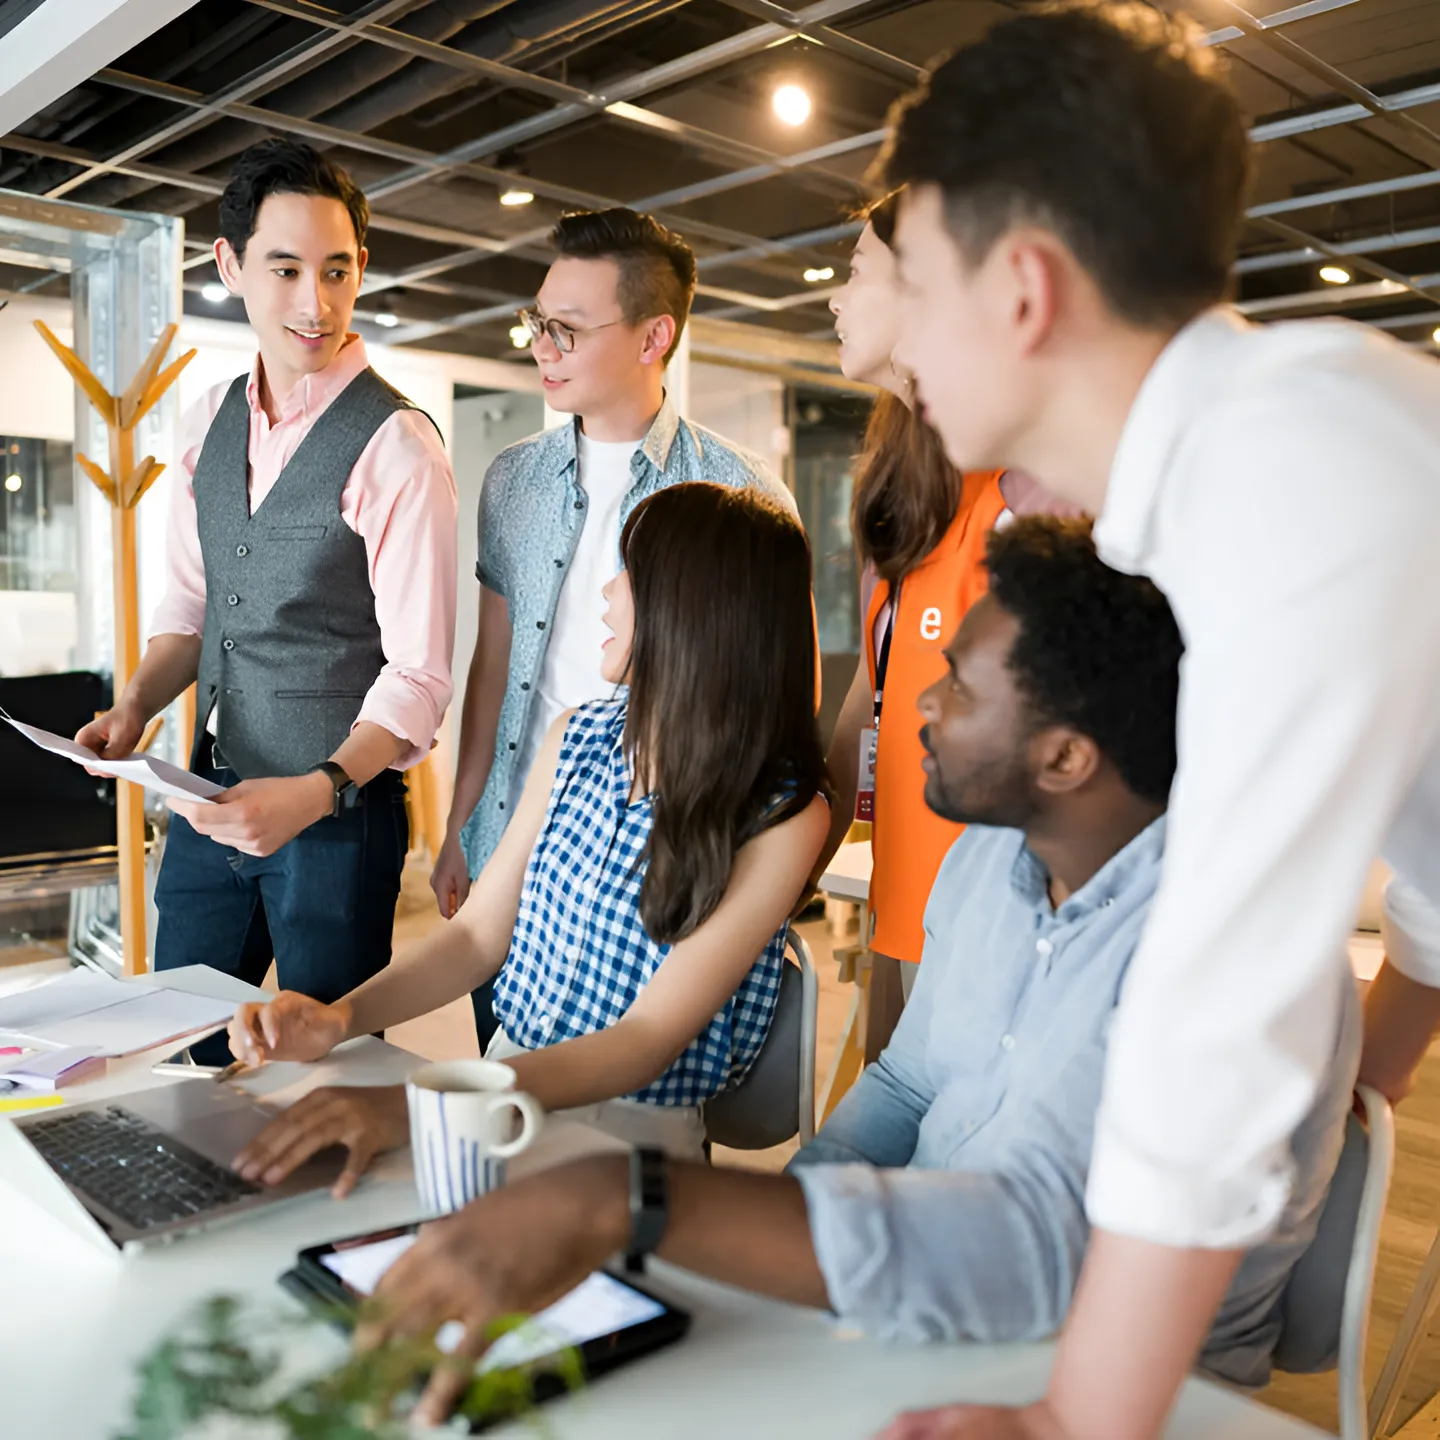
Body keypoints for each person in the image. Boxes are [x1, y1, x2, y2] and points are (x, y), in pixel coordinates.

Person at [326, 517, 1357, 1430]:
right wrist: (756, 1266)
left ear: (1067, 758)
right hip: (935, 1303)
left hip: (1123, 1380)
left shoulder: (1232, 949)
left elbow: (1046, 1251)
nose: (918, 708)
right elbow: (906, 1088)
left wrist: (637, 1200)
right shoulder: (994, 863)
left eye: (959, 684)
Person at [868, 3, 1440, 1436]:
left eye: (911, 280)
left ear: (1022, 288)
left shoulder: (1284, 468)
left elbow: (1217, 1021)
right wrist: (1327, 1122)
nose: (890, 343)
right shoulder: (1238, 467)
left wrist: (1076, 1423)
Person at [225, 483, 830, 1173]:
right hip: (504, 1078)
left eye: (630, 574)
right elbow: (478, 937)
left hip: (629, 1140)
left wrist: (432, 1105)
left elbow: (645, 1040)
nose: (607, 593)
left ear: (696, 608)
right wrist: (337, 1018)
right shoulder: (579, 737)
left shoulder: (783, 814)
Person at [76, 139, 456, 1065]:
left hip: (340, 822)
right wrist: (134, 708)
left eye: (336, 271)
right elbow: (191, 605)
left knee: (324, 1070)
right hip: (208, 800)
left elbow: (420, 676)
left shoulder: (399, 446)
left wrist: (317, 792)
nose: (314, 304)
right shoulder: (206, 420)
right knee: (182, 1046)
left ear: (362, 267)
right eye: (285, 269)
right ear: (230, 263)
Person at [429, 207, 794, 1052]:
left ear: (652, 335)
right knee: (507, 1061)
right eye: (535, 322)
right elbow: (496, 667)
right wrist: (462, 820)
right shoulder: (514, 480)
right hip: (516, 844)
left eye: (565, 329)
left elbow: (778, 693)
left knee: (644, 1104)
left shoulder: (736, 492)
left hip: (662, 858)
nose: (539, 347)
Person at [819, 190, 1078, 1055]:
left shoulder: (1033, 487)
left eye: (856, 272)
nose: (833, 297)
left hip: (992, 926)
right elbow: (876, 694)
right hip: (903, 906)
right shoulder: (904, 489)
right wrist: (796, 866)